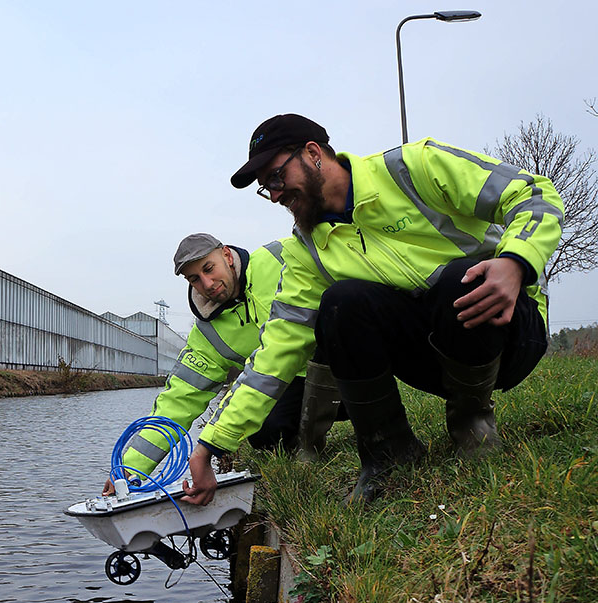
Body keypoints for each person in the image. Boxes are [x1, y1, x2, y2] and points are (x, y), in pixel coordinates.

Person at [184, 114, 562, 506]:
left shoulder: (414, 167)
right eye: (267, 189)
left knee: (460, 278)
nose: (276, 195)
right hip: (433, 359)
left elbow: (534, 194)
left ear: (313, 154)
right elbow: (273, 356)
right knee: (341, 303)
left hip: (510, 333)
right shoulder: (306, 250)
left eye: (277, 178)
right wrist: (209, 445)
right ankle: (390, 453)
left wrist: (516, 262)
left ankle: (472, 422)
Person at [107, 232, 340, 498]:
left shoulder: (280, 256)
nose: (206, 283)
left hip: (340, 357)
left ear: (227, 256)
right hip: (290, 381)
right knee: (263, 432)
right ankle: (303, 445)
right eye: (194, 279)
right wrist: (128, 470)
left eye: (209, 268)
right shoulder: (208, 334)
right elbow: (180, 400)